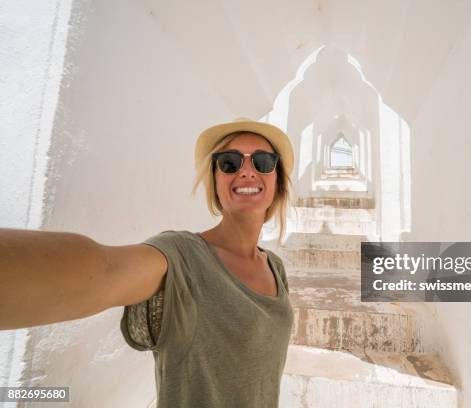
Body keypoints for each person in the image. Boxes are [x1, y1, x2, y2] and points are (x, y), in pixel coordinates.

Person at [0, 118, 296, 407]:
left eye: (263, 162)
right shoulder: (181, 255)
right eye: (230, 162)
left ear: (278, 181)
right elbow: (103, 271)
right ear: (215, 180)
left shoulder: (275, 268)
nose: (246, 171)